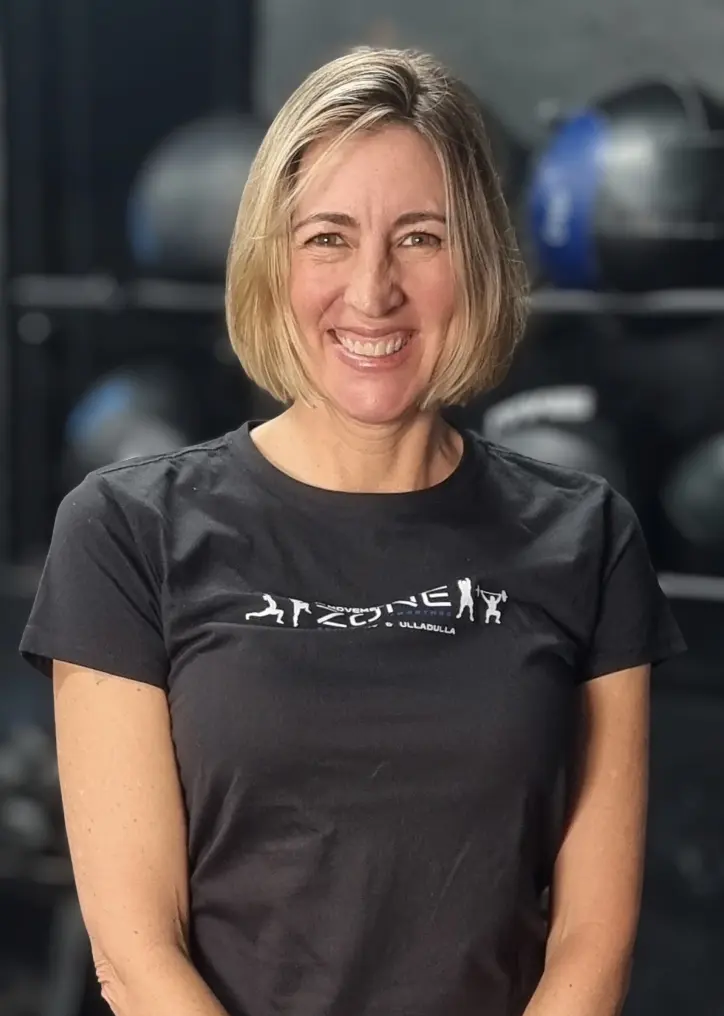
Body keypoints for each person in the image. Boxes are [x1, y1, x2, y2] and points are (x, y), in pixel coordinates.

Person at [19, 46, 685, 1016]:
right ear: (273, 261)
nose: (372, 289)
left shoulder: (587, 537)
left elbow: (591, 945)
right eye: (327, 237)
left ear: (478, 261)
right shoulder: (127, 531)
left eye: (420, 237)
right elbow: (135, 951)